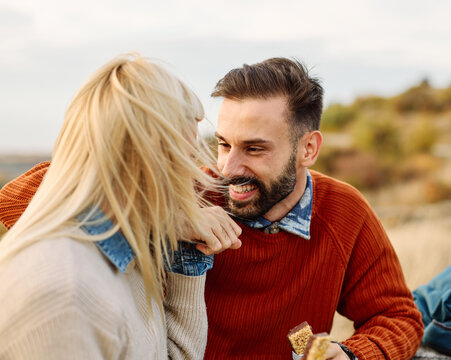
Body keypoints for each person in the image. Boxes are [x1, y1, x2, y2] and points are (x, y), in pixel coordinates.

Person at [0, 58, 423, 360]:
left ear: (308, 148)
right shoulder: (186, 186)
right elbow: (13, 202)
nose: (228, 168)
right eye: (223, 144)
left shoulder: (343, 212)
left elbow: (398, 316)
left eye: (254, 149)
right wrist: (165, 214)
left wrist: (351, 355)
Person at [0, 53, 241, 359]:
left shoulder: (122, 255)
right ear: (150, 157)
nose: (189, 177)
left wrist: (185, 256)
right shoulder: (63, 294)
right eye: (185, 158)